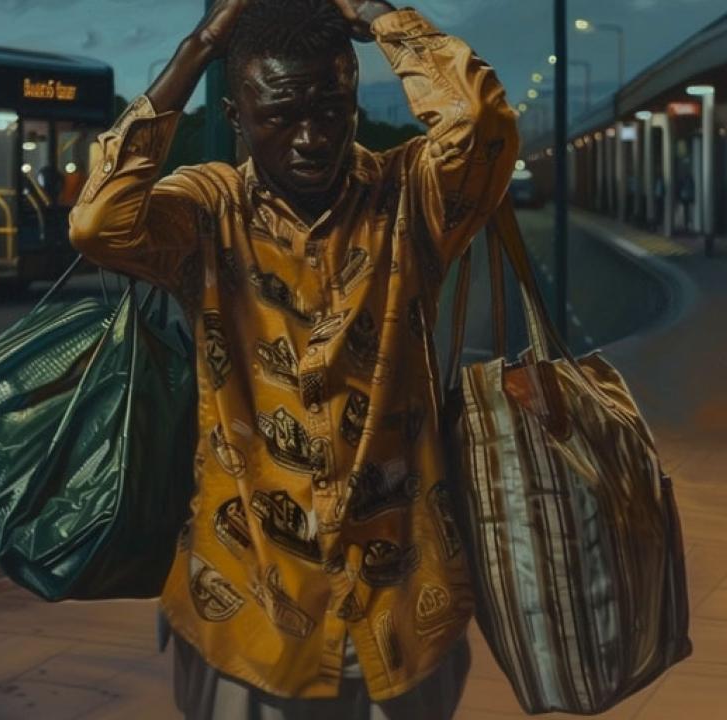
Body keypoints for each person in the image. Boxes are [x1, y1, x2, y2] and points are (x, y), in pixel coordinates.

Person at [69, 0, 518, 717]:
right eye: (280, 116)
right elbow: (99, 220)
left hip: (401, 605)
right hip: (249, 608)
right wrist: (202, 44)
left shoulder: (413, 198)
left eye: (332, 109)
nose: (311, 137)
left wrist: (379, 17)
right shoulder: (208, 211)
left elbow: (484, 129)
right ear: (239, 117)